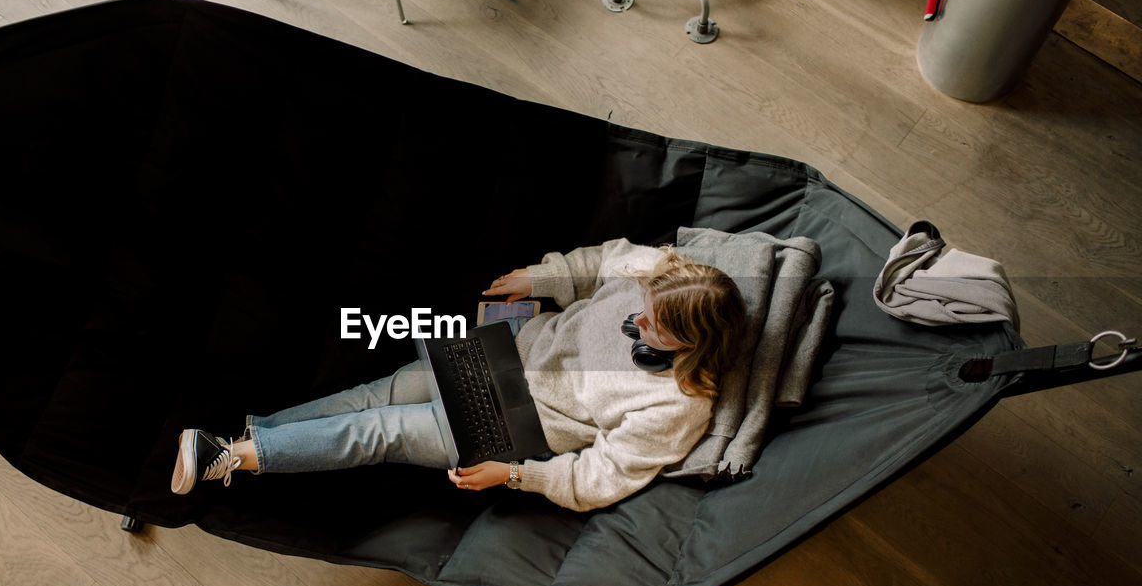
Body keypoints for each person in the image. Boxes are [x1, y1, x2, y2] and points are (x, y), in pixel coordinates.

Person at [171, 238, 746, 511]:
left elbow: (602, 476)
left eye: (654, 330)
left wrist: (517, 475)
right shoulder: (660, 272)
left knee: (384, 430)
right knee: (378, 394)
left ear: (693, 344)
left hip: (522, 428)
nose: (636, 321)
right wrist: (541, 280)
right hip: (505, 353)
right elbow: (600, 262)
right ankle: (241, 443)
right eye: (640, 307)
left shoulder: (680, 405)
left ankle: (230, 456)